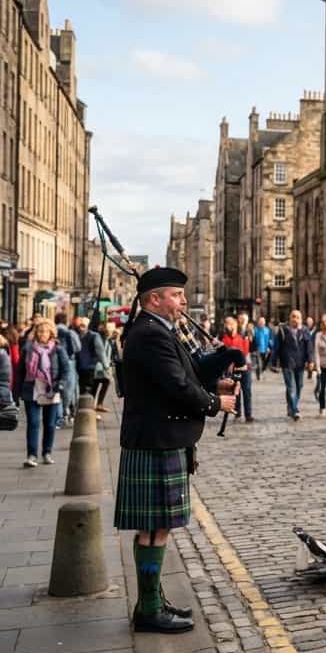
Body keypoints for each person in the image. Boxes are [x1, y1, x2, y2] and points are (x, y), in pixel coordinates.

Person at [114, 267, 238, 634]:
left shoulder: (158, 331)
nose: (184, 302)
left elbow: (189, 371)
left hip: (161, 438)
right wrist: (217, 403)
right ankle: (149, 609)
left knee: (157, 527)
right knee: (155, 529)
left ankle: (151, 602)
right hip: (156, 439)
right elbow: (176, 386)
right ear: (154, 299)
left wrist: (218, 363)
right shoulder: (150, 335)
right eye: (176, 296)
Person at [15, 320, 70, 467]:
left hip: (51, 389)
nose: (42, 334)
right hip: (31, 388)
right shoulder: (28, 348)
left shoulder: (57, 348)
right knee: (33, 423)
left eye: (45, 331)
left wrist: (61, 384)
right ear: (36, 333)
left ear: (51, 333)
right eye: (40, 331)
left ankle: (47, 452)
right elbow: (20, 371)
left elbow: (66, 369)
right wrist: (15, 393)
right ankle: (32, 455)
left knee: (50, 424)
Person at [276, 310, 312, 421]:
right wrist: (274, 362)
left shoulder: (305, 331)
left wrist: (310, 361)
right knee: (291, 387)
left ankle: (290, 407)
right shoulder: (283, 330)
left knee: (299, 386)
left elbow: (309, 347)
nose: (295, 319)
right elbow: (277, 347)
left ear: (301, 319)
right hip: (287, 362)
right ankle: (295, 410)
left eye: (297, 317)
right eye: (293, 317)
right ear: (290, 318)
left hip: (300, 363)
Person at [220, 317, 253, 423]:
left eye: (230, 324)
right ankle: (237, 413)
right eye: (226, 324)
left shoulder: (242, 337)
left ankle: (248, 415)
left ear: (235, 325)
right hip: (233, 370)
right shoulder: (223, 339)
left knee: (247, 391)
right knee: (235, 391)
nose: (228, 326)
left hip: (244, 369)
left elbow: (245, 351)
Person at [53, 312, 81, 422]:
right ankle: (67, 411)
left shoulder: (52, 330)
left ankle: (58, 414)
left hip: (54, 361)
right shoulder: (70, 333)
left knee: (56, 389)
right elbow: (78, 347)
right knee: (69, 388)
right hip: (69, 361)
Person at [91, 320, 115, 412]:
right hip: (100, 366)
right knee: (100, 384)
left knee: (99, 384)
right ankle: (97, 404)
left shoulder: (106, 338)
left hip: (101, 366)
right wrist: (107, 367)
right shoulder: (102, 338)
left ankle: (96, 404)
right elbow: (102, 353)